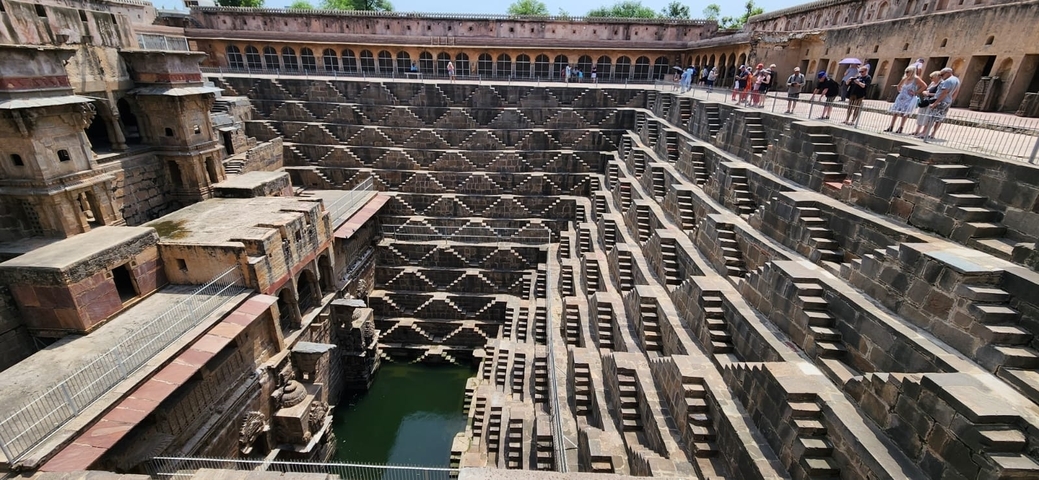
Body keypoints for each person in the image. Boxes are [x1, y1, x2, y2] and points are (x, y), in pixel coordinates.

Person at [921, 67, 961, 139]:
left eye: (942, 74)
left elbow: (944, 93)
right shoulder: (956, 80)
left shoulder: (948, 81)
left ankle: (924, 133)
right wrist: (951, 100)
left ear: (948, 73)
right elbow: (956, 92)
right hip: (947, 101)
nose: (941, 76)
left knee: (932, 117)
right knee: (940, 118)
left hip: (941, 101)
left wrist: (935, 103)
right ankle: (933, 134)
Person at [884, 66, 926, 133]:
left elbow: (924, 86)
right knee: (895, 112)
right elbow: (898, 86)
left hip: (909, 98)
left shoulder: (916, 79)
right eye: (906, 72)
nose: (906, 73)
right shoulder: (905, 78)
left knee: (904, 113)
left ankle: (901, 127)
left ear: (912, 72)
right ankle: (891, 126)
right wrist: (900, 92)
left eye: (908, 72)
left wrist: (916, 92)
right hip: (901, 97)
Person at [913, 71, 942, 137]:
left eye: (932, 77)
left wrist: (929, 94)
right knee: (921, 115)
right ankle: (917, 131)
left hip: (932, 101)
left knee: (928, 118)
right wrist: (925, 92)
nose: (931, 79)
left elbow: (939, 94)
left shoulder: (941, 84)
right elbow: (927, 90)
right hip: (926, 101)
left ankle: (924, 132)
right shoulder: (932, 83)